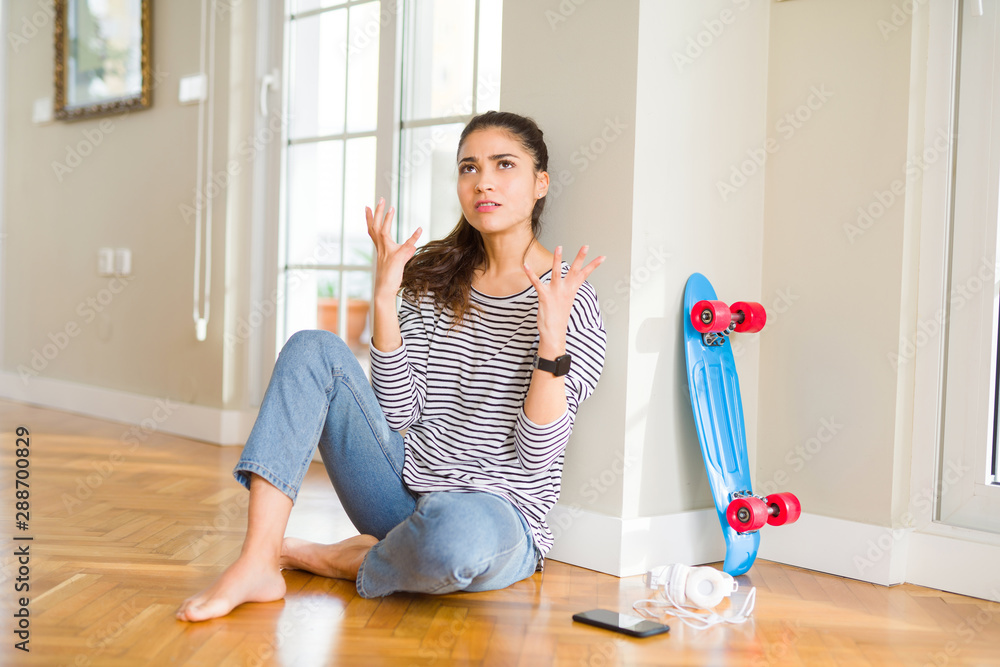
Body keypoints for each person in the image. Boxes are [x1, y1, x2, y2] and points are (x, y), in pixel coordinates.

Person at [176, 110, 607, 622]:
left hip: (494, 517)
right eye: (469, 168)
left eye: (503, 164)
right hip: (398, 491)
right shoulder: (435, 277)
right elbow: (399, 414)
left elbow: (536, 456)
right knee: (312, 347)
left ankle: (327, 557)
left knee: (454, 540)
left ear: (540, 184)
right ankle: (257, 560)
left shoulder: (569, 297)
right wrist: (385, 297)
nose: (483, 181)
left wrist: (550, 340)